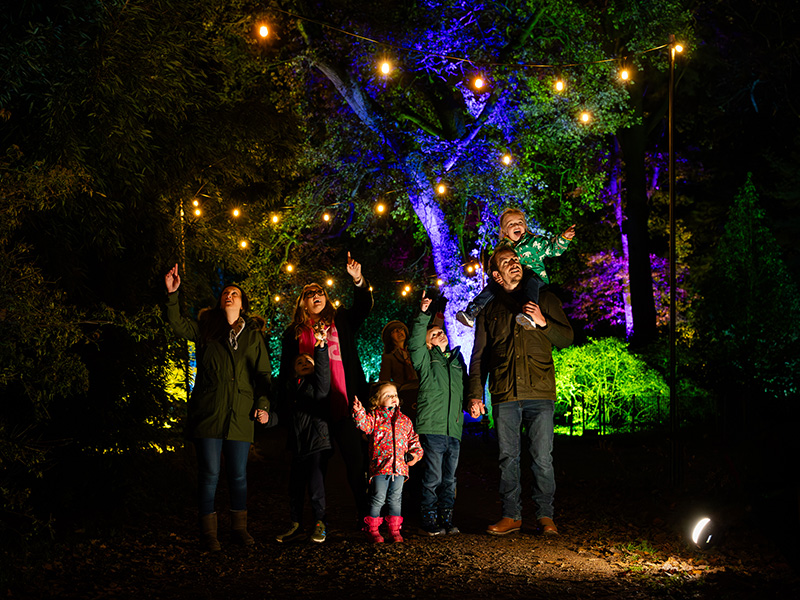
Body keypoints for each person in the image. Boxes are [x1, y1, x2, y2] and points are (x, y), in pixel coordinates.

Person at [164, 264, 274, 552]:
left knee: (238, 474)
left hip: (240, 413)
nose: (229, 295)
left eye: (235, 293)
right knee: (210, 473)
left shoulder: (253, 335)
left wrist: (262, 404)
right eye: (226, 292)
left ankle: (239, 529)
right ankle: (208, 533)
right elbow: (178, 325)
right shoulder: (206, 327)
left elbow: (263, 374)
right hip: (210, 411)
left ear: (243, 303)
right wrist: (173, 294)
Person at [466, 247, 574, 536]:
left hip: (540, 392)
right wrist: (475, 393)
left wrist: (543, 321)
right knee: (507, 457)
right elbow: (479, 356)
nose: (514, 264)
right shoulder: (488, 308)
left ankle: (545, 516)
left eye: (516, 259)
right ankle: (511, 515)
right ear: (496, 275)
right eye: (506, 262)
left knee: (542, 457)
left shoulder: (544, 298)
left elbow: (566, 338)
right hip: (505, 392)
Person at [278, 252, 373, 522]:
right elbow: (286, 372)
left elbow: (363, 307)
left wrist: (358, 280)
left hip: (343, 404)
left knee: (356, 463)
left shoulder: (340, 321)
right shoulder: (293, 334)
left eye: (319, 291)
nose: (316, 295)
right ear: (303, 303)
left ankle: (366, 516)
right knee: (313, 468)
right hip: (311, 412)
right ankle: (313, 520)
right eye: (309, 293)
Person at [457, 207, 575, 329]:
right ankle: (473, 311)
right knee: (493, 285)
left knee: (530, 281)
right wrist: (494, 275)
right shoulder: (502, 247)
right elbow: (493, 264)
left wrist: (564, 238)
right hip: (512, 280)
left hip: (535, 277)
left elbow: (553, 248)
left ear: (525, 226)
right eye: (511, 224)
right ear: (505, 231)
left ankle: (529, 314)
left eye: (520, 222)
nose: (516, 225)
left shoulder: (534, 242)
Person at [409, 291, 467, 536]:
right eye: (433, 334)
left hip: (453, 429)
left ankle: (447, 518)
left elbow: (464, 387)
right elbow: (414, 342)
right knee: (432, 477)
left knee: (450, 479)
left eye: (440, 330)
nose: (439, 333)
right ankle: (428, 519)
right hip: (432, 428)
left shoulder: (456, 359)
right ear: (428, 343)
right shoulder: (425, 359)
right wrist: (423, 314)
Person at [276, 332, 332, 545]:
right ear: (294, 369)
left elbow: (324, 372)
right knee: (295, 486)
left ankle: (320, 522)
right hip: (299, 445)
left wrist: (320, 348)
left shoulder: (318, 385)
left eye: (308, 361)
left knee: (316, 485)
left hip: (318, 442)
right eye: (299, 362)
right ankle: (296, 523)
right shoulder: (290, 389)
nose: (304, 363)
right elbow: (282, 415)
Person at [352, 383, 423, 543]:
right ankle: (372, 529)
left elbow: (414, 441)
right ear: (377, 401)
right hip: (380, 467)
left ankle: (394, 530)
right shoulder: (375, 418)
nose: (393, 398)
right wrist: (359, 412)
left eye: (395, 395)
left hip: (399, 468)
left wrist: (414, 455)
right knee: (377, 497)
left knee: (396, 499)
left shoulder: (405, 421)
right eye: (388, 395)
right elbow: (364, 425)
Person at [379, 320, 419, 421]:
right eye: (395, 331)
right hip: (406, 395)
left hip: (421, 391)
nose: (399, 332)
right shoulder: (389, 357)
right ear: (390, 337)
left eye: (401, 329)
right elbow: (384, 380)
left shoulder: (415, 351)